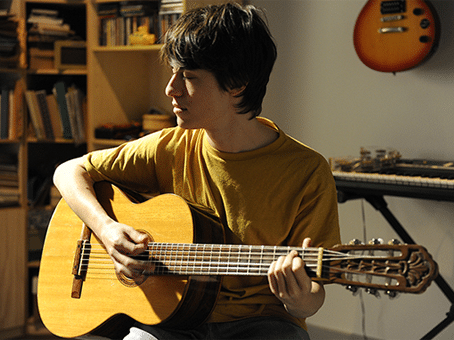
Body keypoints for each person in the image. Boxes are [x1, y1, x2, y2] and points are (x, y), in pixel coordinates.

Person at [53, 3, 341, 339]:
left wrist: (299, 298)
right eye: (173, 72)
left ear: (236, 85)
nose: (170, 89)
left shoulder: (306, 171)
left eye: (188, 77)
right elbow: (68, 171)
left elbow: (310, 302)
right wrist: (107, 231)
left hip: (262, 322)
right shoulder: (170, 147)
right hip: (171, 317)